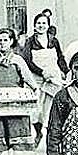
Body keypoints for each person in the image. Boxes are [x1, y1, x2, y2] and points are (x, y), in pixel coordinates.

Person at [0, 27, 39, 155]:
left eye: (5, 40)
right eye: (0, 40)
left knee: (16, 135)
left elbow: (29, 80)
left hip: (16, 105)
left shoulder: (17, 60)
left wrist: (33, 94)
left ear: (11, 42)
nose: (2, 43)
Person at [20, 12, 67, 142]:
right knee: (36, 109)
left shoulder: (54, 40)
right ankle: (38, 132)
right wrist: (42, 72)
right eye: (38, 23)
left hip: (53, 79)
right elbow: (27, 60)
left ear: (48, 25)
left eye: (44, 23)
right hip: (37, 79)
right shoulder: (30, 41)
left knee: (51, 108)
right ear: (35, 26)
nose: (41, 26)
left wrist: (66, 71)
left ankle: (52, 137)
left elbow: (60, 58)